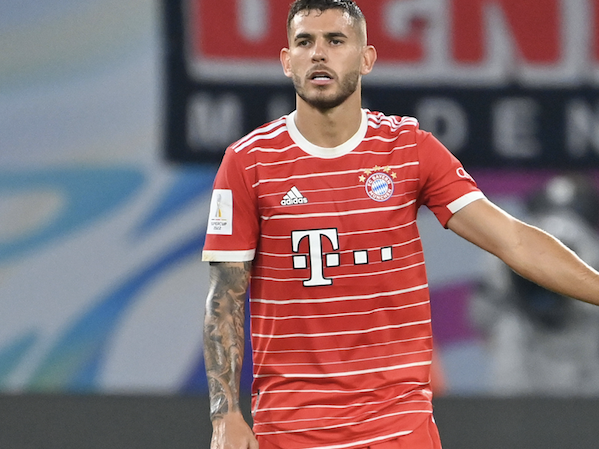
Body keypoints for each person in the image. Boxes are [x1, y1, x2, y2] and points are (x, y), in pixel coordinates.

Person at [201, 1, 599, 448]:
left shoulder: (409, 149)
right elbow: (224, 297)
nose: (318, 53)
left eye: (336, 41)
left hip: (397, 427)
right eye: (304, 42)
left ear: (366, 58)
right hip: (292, 428)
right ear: (286, 60)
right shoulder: (248, 162)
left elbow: (513, 240)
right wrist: (225, 413)